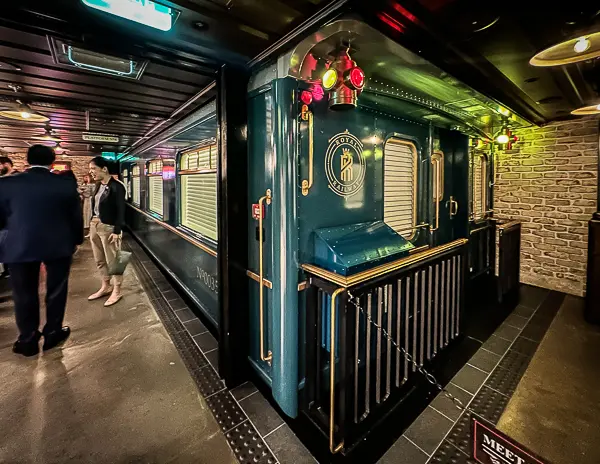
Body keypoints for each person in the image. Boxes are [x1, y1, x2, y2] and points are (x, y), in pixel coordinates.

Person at [0, 145, 83, 357]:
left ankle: (27, 339)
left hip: (20, 247)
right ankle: (53, 332)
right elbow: (75, 216)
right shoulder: (64, 184)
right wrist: (76, 240)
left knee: (24, 293)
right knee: (56, 291)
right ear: (52, 161)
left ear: (27, 160)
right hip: (58, 245)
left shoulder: (7, 184)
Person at [88, 156, 126, 307]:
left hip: (109, 227)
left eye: (93, 169)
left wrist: (117, 230)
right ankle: (106, 285)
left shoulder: (117, 186)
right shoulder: (98, 185)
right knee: (99, 259)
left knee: (114, 259)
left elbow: (121, 210)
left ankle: (117, 289)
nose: (91, 172)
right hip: (95, 225)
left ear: (104, 169)